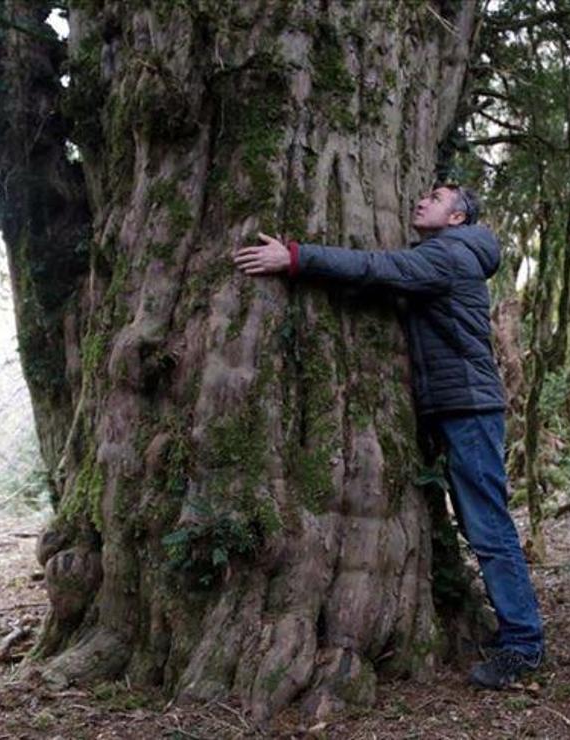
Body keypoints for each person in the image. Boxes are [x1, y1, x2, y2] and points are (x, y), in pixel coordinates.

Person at [233, 184, 545, 689]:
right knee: (479, 524)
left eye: (437, 196)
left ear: (457, 216)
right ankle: (517, 633)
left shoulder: (448, 254)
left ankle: (524, 646)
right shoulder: (448, 252)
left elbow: (378, 268)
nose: (422, 199)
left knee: (489, 527)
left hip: (468, 408)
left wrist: (294, 257)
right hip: (453, 406)